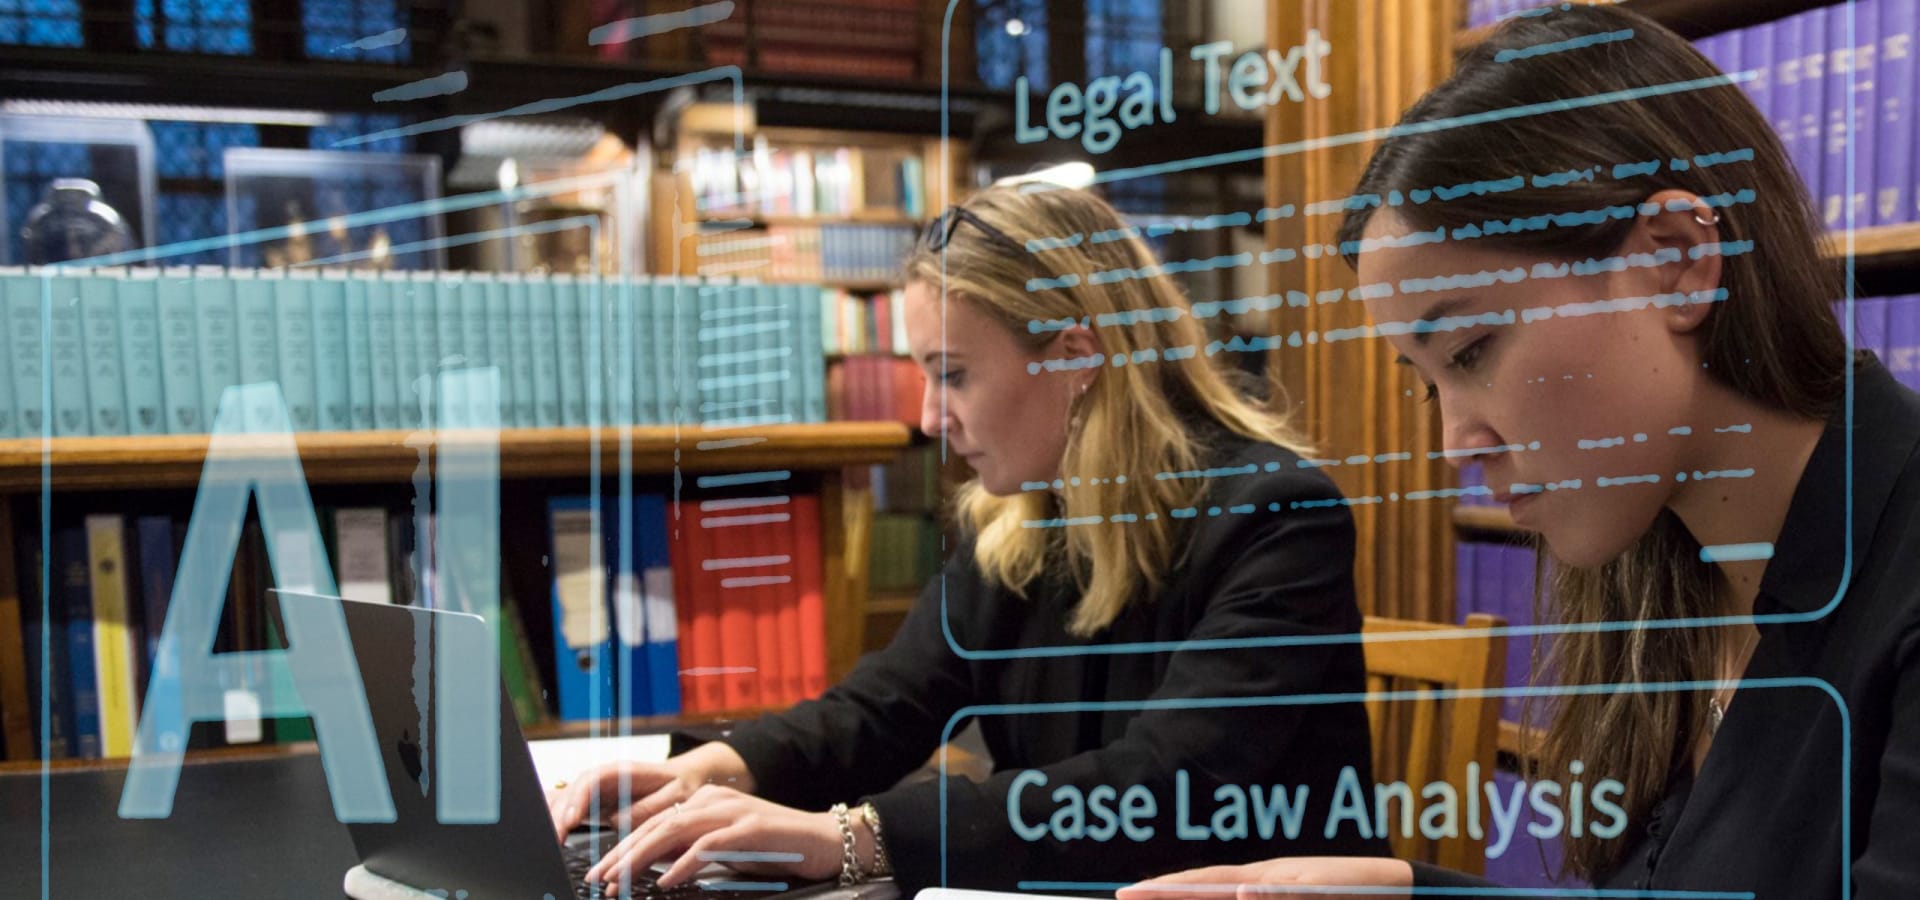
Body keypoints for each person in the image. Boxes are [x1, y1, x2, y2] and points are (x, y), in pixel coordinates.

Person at [1123, 5, 1920, 899]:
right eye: (1429, 385)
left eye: (1472, 351)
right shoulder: (1666, 572)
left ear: (1677, 260)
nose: (1457, 443)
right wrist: (1413, 892)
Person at [548, 185, 1388, 895]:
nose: (926, 417)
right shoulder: (1020, 522)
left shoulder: (1277, 516)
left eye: (951, 374)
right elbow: (886, 706)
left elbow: (1165, 783)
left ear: (1074, 357)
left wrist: (854, 836)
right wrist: (715, 770)